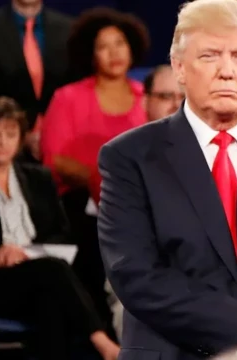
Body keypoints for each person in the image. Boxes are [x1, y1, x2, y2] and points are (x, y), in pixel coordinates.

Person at [97, 1, 237, 359]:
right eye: (209, 56)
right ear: (179, 67)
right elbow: (136, 274)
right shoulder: (130, 157)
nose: (226, 71)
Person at [39, 6, 150, 339]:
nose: (114, 53)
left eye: (120, 43)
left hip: (138, 204)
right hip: (80, 207)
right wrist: (93, 178)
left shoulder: (148, 96)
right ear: (90, 54)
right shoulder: (69, 97)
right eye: (104, 46)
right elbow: (53, 159)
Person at [0, 96, 119, 360]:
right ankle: (104, 343)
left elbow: (61, 233)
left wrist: (27, 252)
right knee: (53, 272)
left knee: (51, 300)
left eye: (11, 134)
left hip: (39, 272)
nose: (3, 142)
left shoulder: (38, 178)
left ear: (22, 138)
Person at [0, 0, 74, 161]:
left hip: (64, 146)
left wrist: (52, 134)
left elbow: (77, 89)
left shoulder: (69, 29)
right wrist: (19, 134)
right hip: (7, 148)